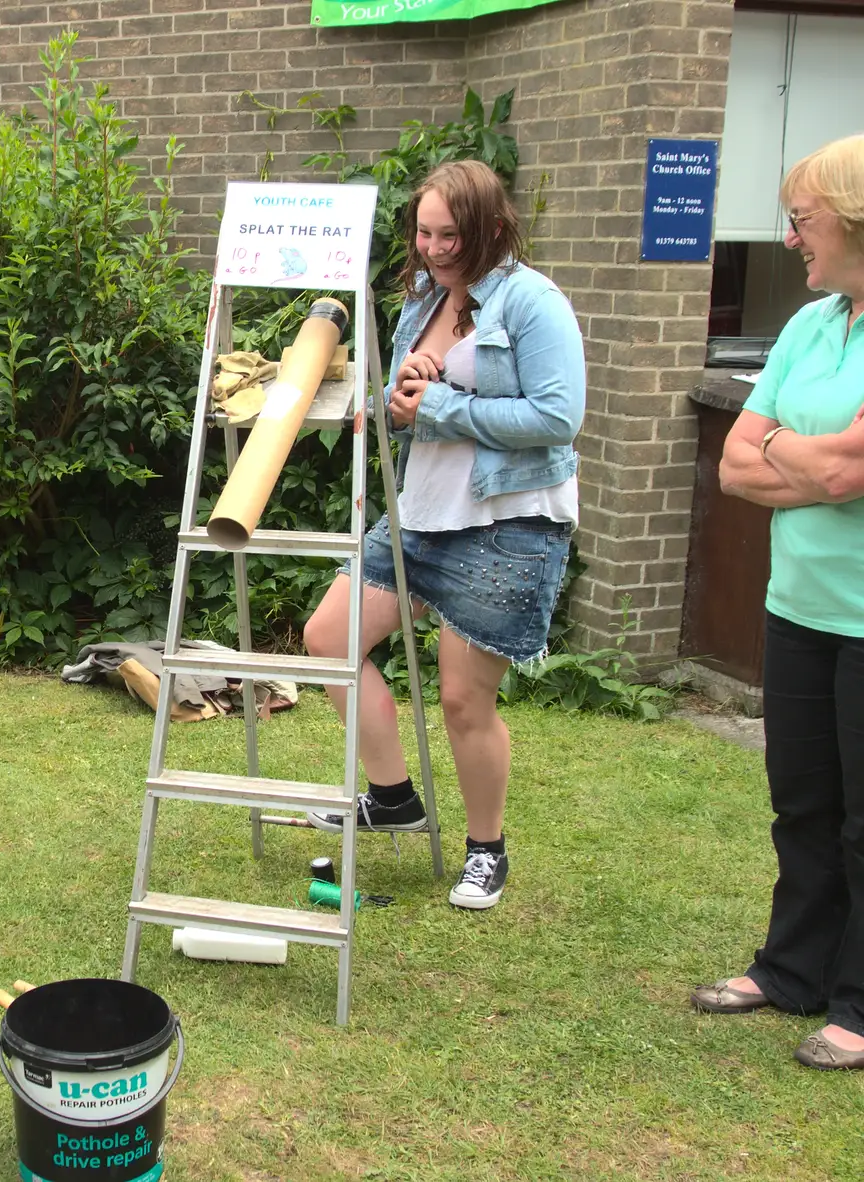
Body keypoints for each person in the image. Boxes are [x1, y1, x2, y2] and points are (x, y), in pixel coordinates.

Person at [303, 158, 585, 911]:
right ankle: (393, 796)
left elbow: (559, 417)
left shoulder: (532, 301)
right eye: (423, 232)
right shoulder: (422, 298)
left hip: (503, 522)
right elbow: (406, 407)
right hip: (419, 514)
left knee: (464, 700)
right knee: (330, 641)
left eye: (449, 236)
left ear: (492, 227)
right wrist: (402, 396)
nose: (431, 248)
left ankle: (486, 850)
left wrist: (443, 406)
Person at [694, 134, 864, 1071]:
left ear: (853, 218)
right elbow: (734, 463)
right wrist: (822, 460)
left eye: (802, 220)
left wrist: (806, 455)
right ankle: (792, 968)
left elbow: (845, 466)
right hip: (799, 603)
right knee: (800, 802)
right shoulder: (809, 325)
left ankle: (861, 1002)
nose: (790, 239)